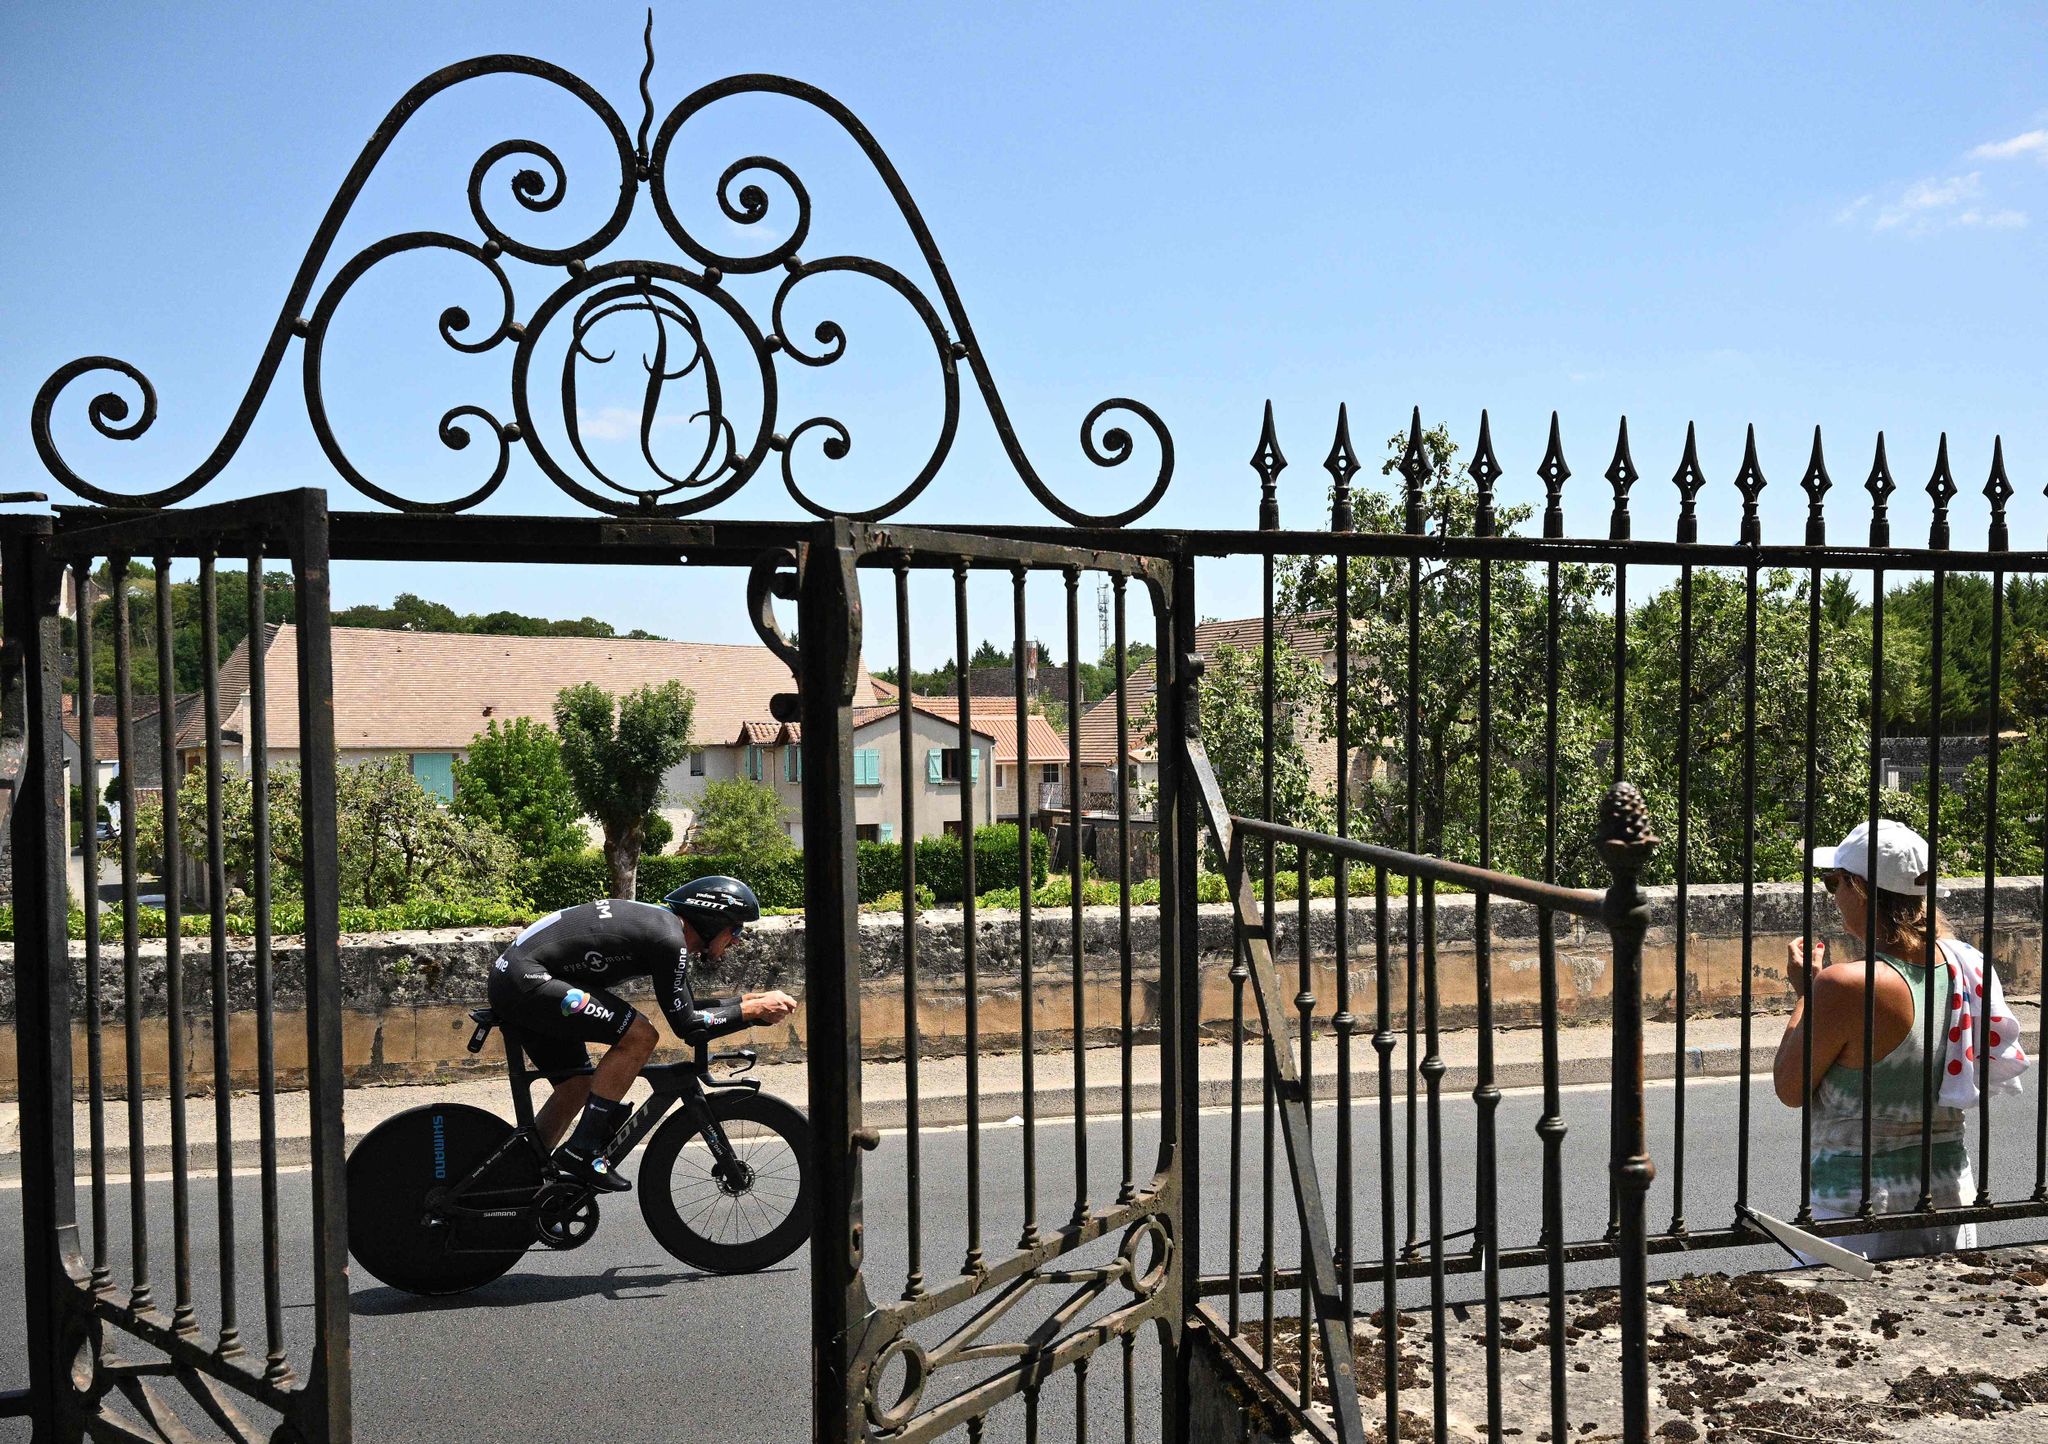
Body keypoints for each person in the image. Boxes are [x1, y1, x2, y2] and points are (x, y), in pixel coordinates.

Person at [1773, 818, 2027, 1260]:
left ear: (1861, 889)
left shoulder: (1847, 985)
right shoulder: (1967, 967)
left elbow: (1790, 1088)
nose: (1832, 897)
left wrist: (1806, 993)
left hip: (1858, 1214)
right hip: (1948, 1198)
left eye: (1833, 883)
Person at [485, 876, 799, 1192]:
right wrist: (750, 1012)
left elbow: (686, 1009)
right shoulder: (669, 940)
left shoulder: (666, 931)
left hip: (518, 978)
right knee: (640, 1036)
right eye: (735, 930)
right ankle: (583, 1150)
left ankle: (516, 1179)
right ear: (711, 921)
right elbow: (688, 1025)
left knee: (577, 1084)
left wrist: (749, 1003)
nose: (737, 940)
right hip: (527, 981)